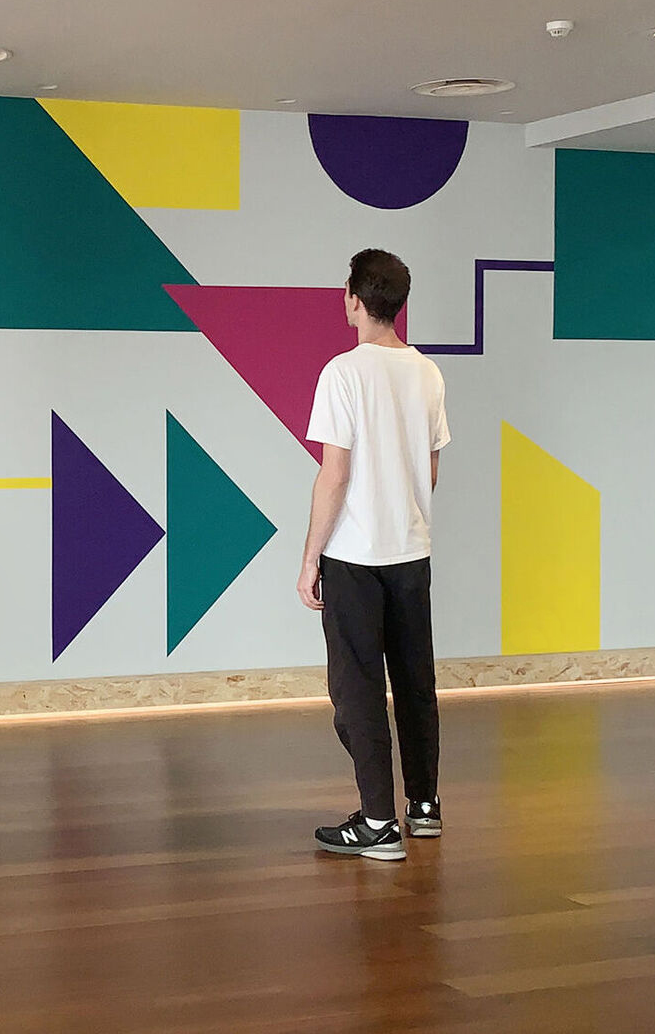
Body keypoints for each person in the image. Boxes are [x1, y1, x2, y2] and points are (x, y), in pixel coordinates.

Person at [296, 249, 449, 862]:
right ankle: (424, 807)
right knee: (415, 682)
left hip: (355, 558)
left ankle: (379, 824)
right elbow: (429, 472)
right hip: (411, 553)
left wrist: (310, 557)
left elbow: (334, 475)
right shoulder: (427, 374)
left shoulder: (342, 373)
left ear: (355, 300)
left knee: (358, 689)